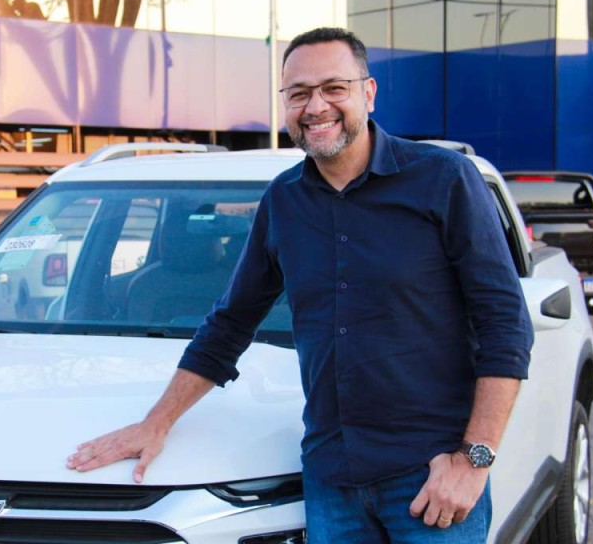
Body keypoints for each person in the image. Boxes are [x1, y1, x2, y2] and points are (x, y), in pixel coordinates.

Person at [66, 27, 533, 543]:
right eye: (299, 93)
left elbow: (505, 325)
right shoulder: (283, 201)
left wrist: (474, 459)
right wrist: (156, 422)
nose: (316, 107)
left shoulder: (444, 179)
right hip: (332, 481)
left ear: (368, 93)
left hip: (430, 477)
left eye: (334, 88)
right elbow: (230, 323)